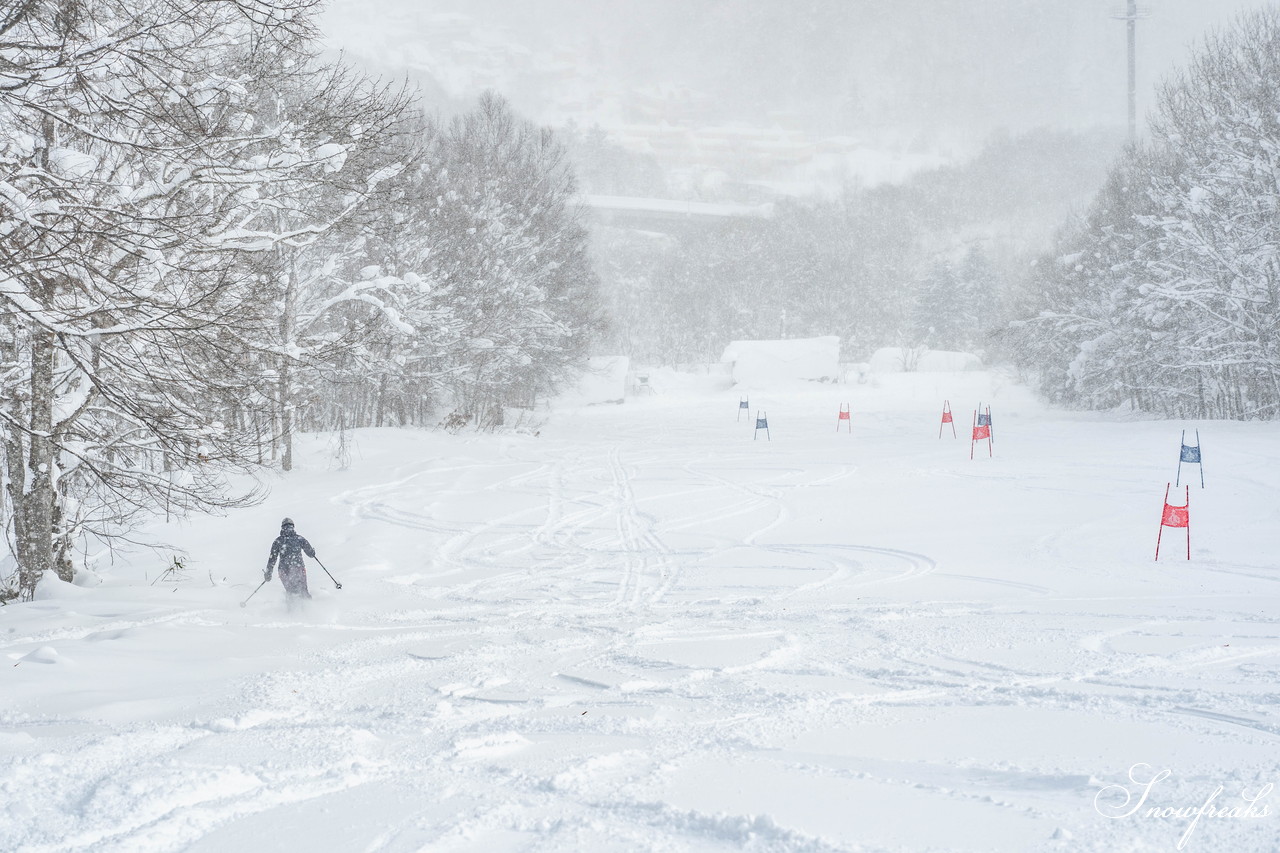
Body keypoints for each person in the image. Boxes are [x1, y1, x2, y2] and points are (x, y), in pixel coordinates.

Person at [265, 517, 316, 599]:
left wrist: (268, 572)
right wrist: (312, 552)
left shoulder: (278, 541)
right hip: (298, 567)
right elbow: (310, 554)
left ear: (282, 527)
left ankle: (291, 608)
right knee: (303, 590)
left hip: (283, 570)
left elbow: (272, 558)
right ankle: (308, 607)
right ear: (293, 527)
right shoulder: (299, 539)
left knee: (290, 591)